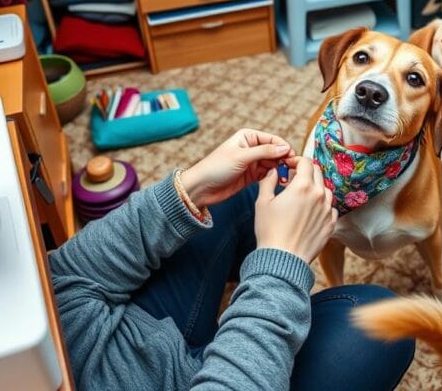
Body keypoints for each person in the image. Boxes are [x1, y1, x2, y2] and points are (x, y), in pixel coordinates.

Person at [49, 129, 415, 390]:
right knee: (384, 323)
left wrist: (187, 189)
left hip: (111, 341)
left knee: (247, 190)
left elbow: (65, 277)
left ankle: (232, 308)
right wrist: (280, 263)